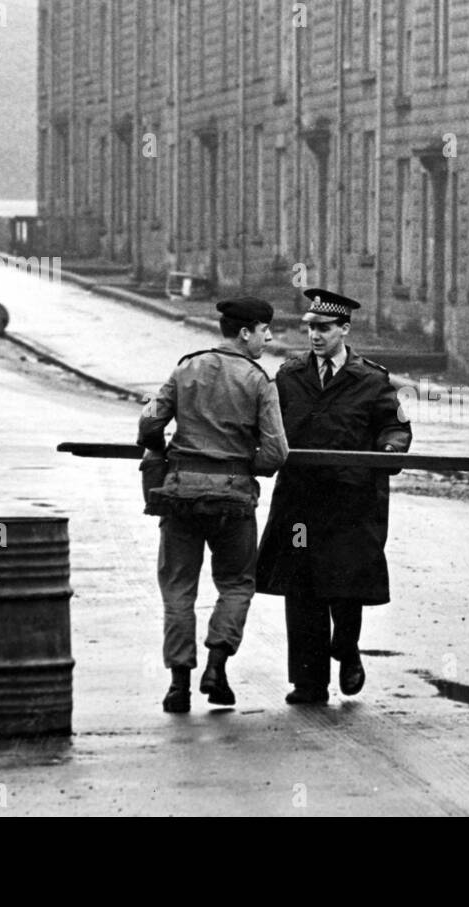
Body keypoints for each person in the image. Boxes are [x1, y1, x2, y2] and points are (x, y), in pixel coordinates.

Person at [256, 288, 413, 705]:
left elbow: (395, 427)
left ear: (344, 329)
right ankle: (308, 681)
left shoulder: (371, 380)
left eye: (324, 328)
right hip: (301, 506)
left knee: (345, 583)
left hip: (349, 503)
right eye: (310, 328)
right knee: (301, 585)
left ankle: (346, 650)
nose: (315, 336)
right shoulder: (290, 377)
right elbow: (266, 423)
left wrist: (391, 449)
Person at [138, 296, 288, 713]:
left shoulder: (186, 367)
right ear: (245, 333)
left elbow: (150, 420)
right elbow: (277, 452)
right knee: (238, 583)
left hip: (181, 495)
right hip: (233, 500)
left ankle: (178, 686)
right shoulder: (260, 381)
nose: (269, 337)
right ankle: (217, 668)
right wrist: (244, 464)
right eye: (263, 330)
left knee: (178, 590)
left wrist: (160, 452)